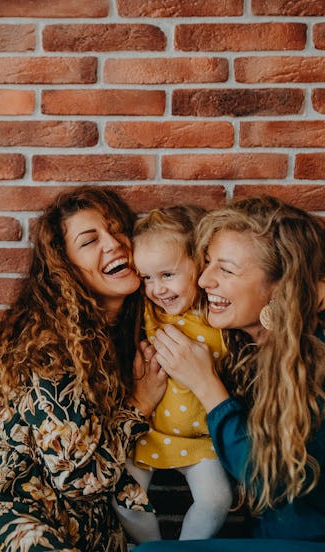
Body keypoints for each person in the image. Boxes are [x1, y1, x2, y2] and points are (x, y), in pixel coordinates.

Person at [136, 196, 325, 552]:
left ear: (280, 286)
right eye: (207, 263)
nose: (204, 280)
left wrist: (207, 386)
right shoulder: (242, 334)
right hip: (284, 540)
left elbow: (272, 483)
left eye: (226, 270)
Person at [0, 186, 168, 552]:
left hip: (89, 530)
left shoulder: (132, 328)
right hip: (20, 525)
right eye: (90, 241)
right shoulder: (52, 347)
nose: (114, 243)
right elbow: (78, 477)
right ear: (65, 266)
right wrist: (140, 405)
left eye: (118, 230)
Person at [116, 206, 233, 543]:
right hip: (148, 433)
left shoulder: (217, 311)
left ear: (200, 264)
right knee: (124, 499)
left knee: (216, 500)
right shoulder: (146, 311)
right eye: (147, 277)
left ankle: (185, 550)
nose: (157, 289)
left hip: (203, 440)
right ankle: (152, 549)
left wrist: (320, 289)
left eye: (167, 275)